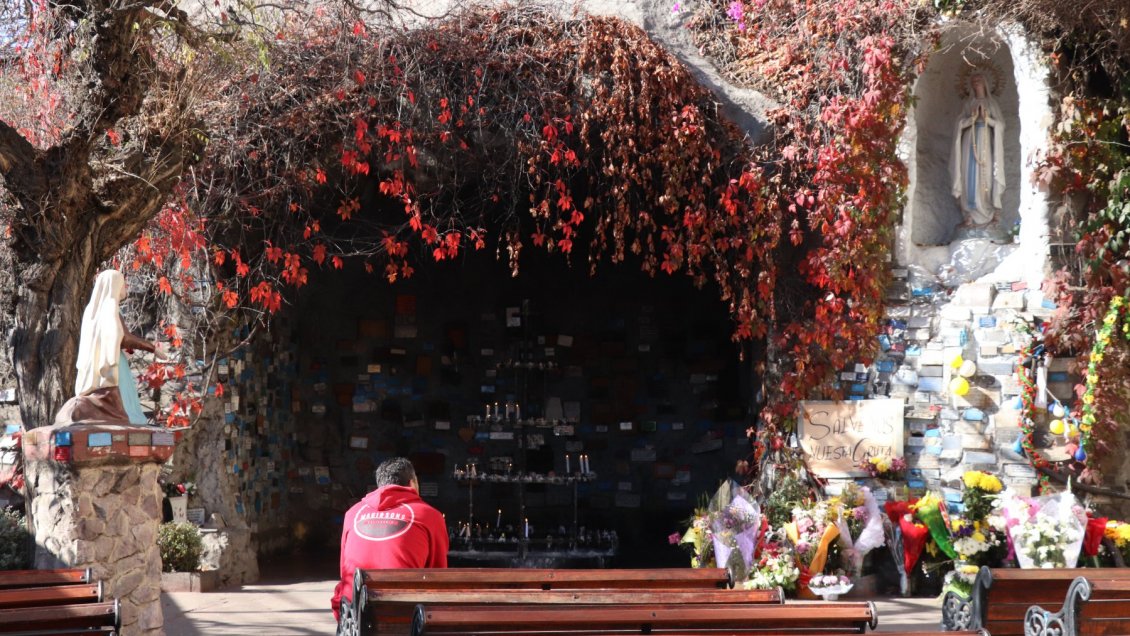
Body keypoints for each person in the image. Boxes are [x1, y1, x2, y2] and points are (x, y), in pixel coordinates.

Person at [332, 457, 449, 622]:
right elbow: (437, 574)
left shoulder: (352, 513)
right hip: (404, 617)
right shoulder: (429, 515)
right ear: (412, 482)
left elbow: (345, 571)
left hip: (355, 615)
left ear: (380, 485)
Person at [54, 269, 164, 426]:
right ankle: (131, 418)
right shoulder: (111, 306)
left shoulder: (91, 310)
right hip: (113, 363)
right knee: (126, 397)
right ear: (115, 285)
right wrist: (152, 348)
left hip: (94, 366)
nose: (125, 287)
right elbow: (124, 338)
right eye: (123, 284)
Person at [949, 71, 1006, 230]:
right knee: (968, 178)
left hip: (986, 142)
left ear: (985, 83)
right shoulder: (968, 104)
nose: (976, 83)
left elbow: (1001, 125)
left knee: (986, 176)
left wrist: (987, 120)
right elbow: (959, 125)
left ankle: (988, 212)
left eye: (979, 80)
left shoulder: (991, 103)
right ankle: (969, 216)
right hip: (969, 143)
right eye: (973, 81)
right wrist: (971, 119)